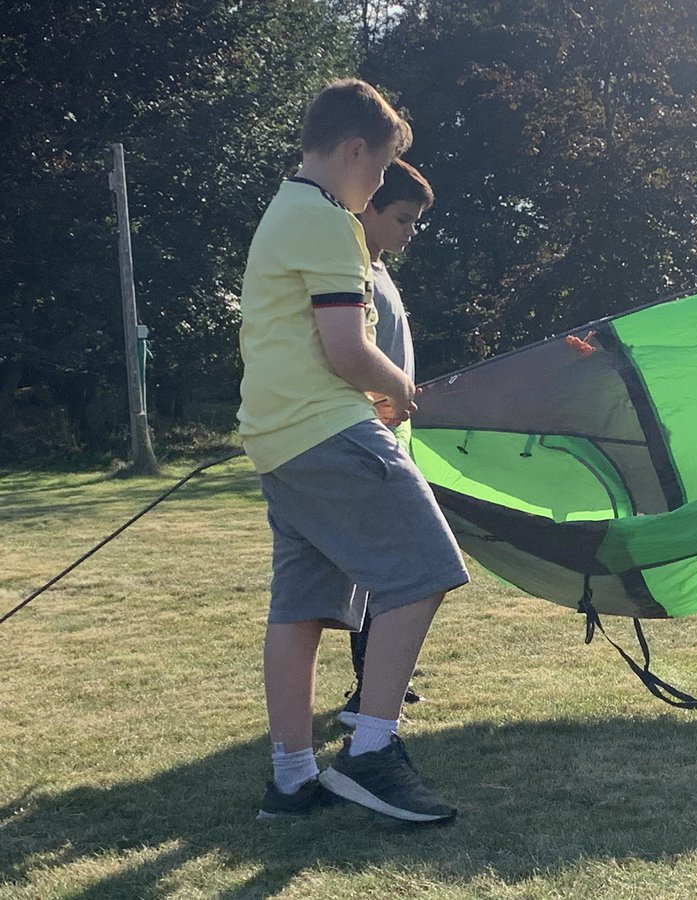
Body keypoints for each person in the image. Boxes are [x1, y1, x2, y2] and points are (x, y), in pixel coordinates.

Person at [237, 78, 469, 821]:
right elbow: (347, 350)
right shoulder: (328, 220)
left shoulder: (283, 210)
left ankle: (291, 778)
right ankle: (370, 752)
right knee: (428, 569)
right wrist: (401, 388)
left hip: (278, 440)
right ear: (354, 150)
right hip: (327, 430)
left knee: (302, 607)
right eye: (380, 169)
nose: (378, 186)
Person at [339, 159, 437, 729]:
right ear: (368, 208)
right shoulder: (352, 270)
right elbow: (349, 354)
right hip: (366, 437)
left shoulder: (378, 269)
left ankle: (377, 685)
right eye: (402, 219)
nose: (410, 231)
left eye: (415, 222)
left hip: (395, 435)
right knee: (394, 566)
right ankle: (367, 695)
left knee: (397, 566)